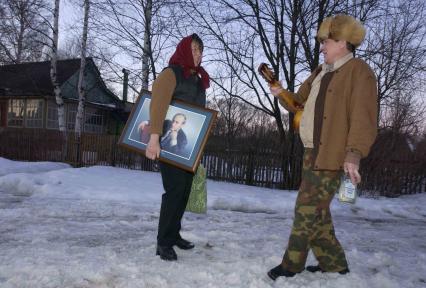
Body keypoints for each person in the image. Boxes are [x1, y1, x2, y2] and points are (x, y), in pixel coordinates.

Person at [267, 14, 378, 280]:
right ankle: (334, 263)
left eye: (326, 42)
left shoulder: (359, 71)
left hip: (332, 156)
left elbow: (364, 117)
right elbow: (298, 102)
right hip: (310, 152)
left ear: (342, 42)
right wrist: (280, 91)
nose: (322, 47)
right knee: (318, 211)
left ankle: (291, 265)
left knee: (305, 209)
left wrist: (354, 154)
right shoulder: (320, 71)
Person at [145, 33, 209, 261]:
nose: (198, 54)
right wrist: (154, 138)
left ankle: (173, 235)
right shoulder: (170, 74)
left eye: (200, 51)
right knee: (173, 192)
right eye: (193, 49)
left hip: (188, 148)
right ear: (183, 50)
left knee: (183, 192)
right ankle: (163, 243)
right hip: (168, 144)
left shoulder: (197, 80)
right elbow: (158, 105)